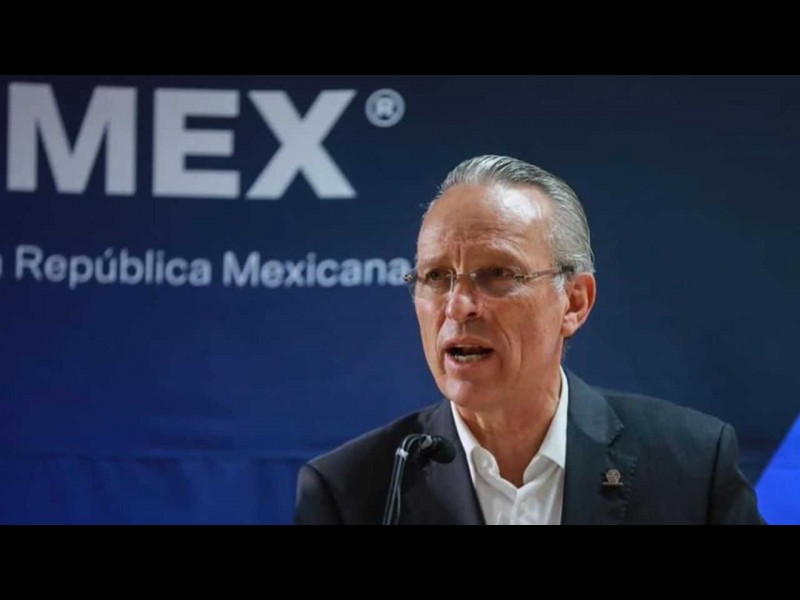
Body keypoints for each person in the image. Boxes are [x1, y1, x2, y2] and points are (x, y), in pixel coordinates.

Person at [294, 155, 765, 525]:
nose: (458, 306)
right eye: (436, 276)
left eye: (498, 274)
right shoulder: (350, 491)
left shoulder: (690, 465)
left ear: (574, 302)